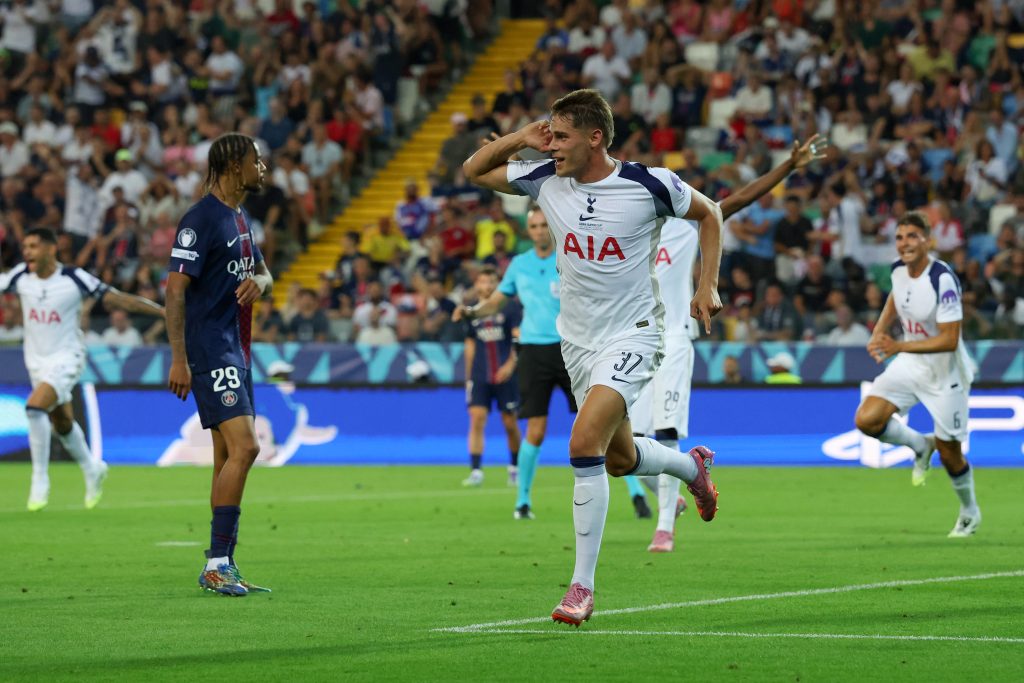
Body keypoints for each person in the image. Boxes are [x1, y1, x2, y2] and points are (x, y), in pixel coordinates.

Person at [462, 89, 724, 626]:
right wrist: (521, 139)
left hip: (634, 335)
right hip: (577, 342)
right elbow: (472, 171)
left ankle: (581, 587)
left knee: (582, 442)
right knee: (620, 458)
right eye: (549, 136)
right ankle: (689, 467)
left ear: (595, 138)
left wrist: (706, 286)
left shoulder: (650, 184)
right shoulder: (546, 181)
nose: (551, 145)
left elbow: (711, 213)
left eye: (561, 136)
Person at [631, 135, 826, 552]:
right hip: (631, 337)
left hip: (673, 336)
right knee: (626, 447)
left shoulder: (686, 222)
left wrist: (788, 167)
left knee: (665, 432)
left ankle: (664, 526)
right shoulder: (627, 228)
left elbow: (738, 199)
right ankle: (681, 487)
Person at [166, 133, 275, 596]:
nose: (263, 168)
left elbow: (265, 272)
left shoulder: (240, 217)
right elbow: (174, 290)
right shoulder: (200, 220)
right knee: (246, 449)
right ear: (235, 166)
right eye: (256, 160)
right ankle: (215, 563)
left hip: (238, 349)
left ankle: (223, 561)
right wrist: (179, 358)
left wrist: (260, 285)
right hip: (212, 349)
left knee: (226, 456)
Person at [1, 228, 163, 511]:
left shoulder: (74, 278)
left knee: (34, 408)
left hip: (68, 357)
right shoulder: (19, 277)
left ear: (51, 249)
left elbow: (117, 298)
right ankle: (92, 468)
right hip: (36, 361)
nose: (27, 251)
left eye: (34, 246)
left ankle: (40, 478)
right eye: (25, 246)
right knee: (62, 423)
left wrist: (161, 311)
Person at [854, 212, 980, 538]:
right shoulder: (897, 270)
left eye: (912, 236)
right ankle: (919, 446)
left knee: (950, 451)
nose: (905, 243)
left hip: (944, 371)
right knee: (867, 419)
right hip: (910, 363)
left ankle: (969, 511)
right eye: (899, 237)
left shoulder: (943, 279)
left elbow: (950, 339)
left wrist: (897, 345)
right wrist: (879, 330)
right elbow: (896, 297)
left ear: (927, 240)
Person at [460, 266, 522, 488]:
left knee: (509, 423)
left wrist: (510, 365)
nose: (486, 286)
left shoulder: (510, 307)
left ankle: (514, 468)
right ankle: (476, 470)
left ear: (497, 284)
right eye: (482, 281)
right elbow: (469, 347)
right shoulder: (471, 311)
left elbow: (518, 339)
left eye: (491, 281)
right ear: (476, 284)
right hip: (480, 376)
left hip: (506, 375)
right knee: (476, 419)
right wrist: (469, 379)